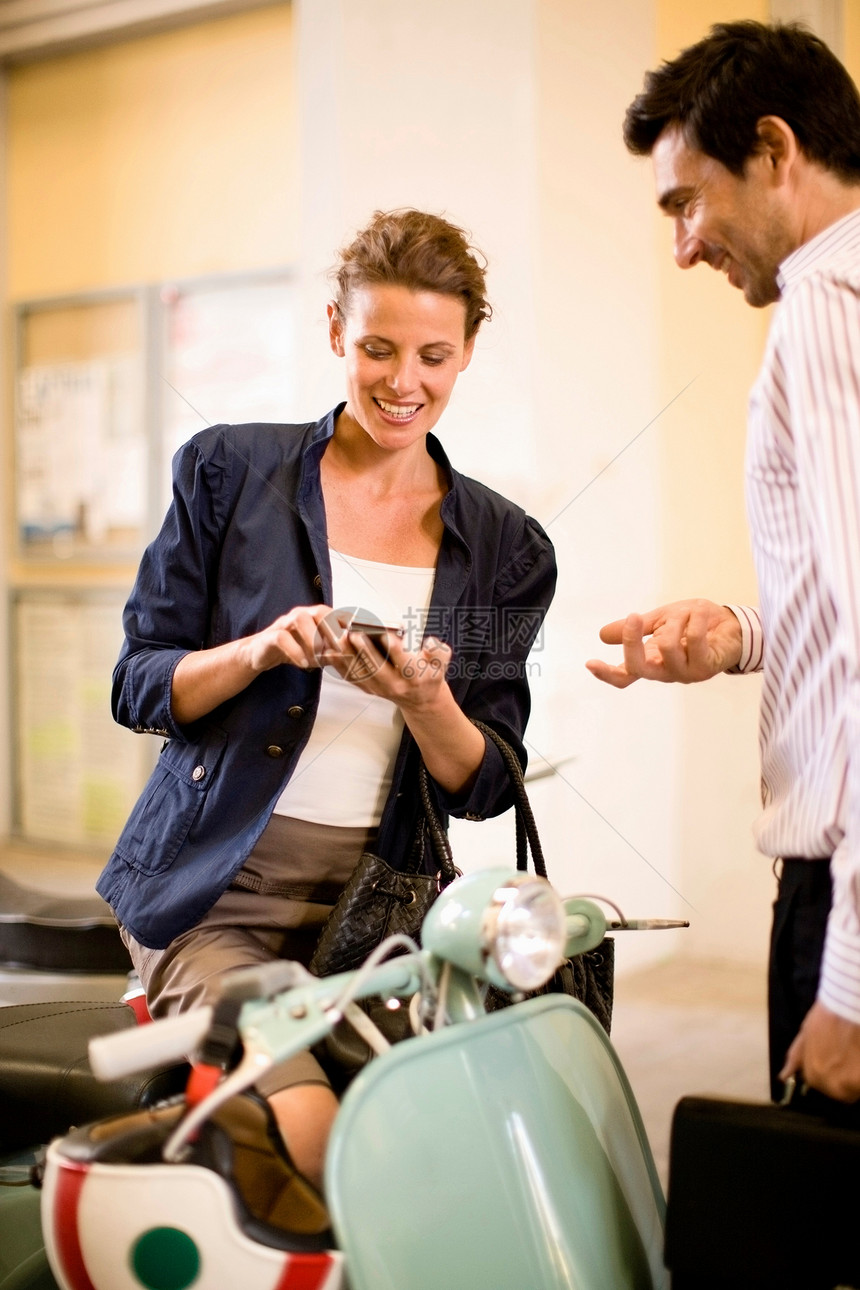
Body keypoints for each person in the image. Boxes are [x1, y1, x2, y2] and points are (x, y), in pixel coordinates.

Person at [97, 208, 557, 1189]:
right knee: (317, 1134)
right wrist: (259, 651)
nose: (403, 382)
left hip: (383, 910)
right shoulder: (228, 472)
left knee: (442, 1147)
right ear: (336, 333)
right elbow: (137, 683)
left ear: (469, 349)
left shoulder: (508, 548)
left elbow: (486, 787)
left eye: (433, 354)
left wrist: (428, 702)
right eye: (378, 348)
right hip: (206, 892)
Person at [586, 21, 860, 1111]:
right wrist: (747, 634)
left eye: (685, 201)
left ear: (774, 149)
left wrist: (844, 982)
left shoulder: (822, 314)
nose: (683, 245)